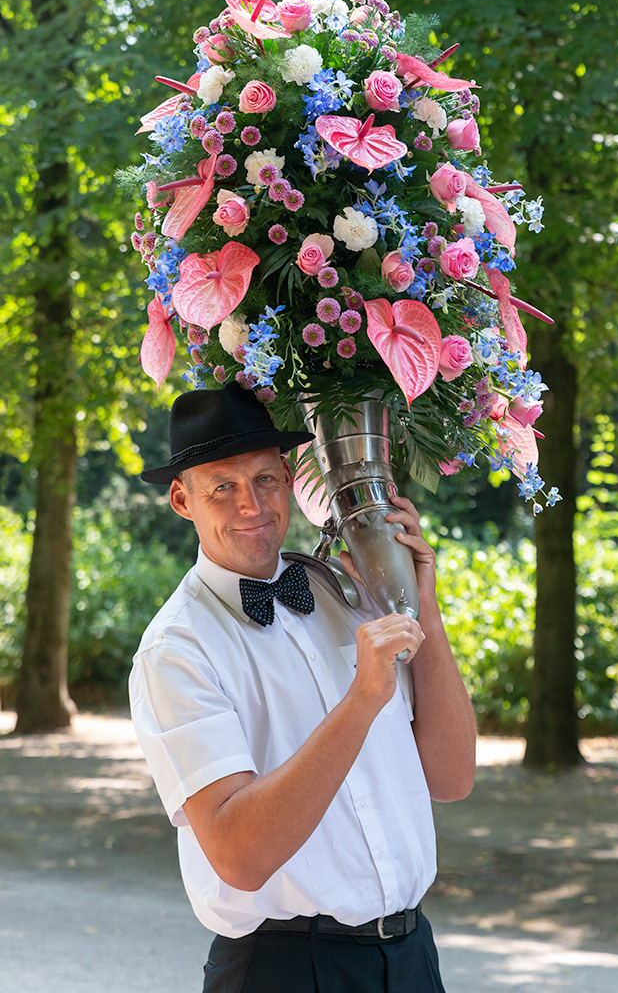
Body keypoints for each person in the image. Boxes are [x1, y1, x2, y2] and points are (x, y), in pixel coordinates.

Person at [129, 381, 477, 993]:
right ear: (183, 500)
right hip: (285, 970)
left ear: (290, 477)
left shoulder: (349, 589)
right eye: (223, 488)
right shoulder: (176, 651)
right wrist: (361, 701)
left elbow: (452, 778)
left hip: (413, 957)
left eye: (265, 479)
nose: (251, 506)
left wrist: (425, 607)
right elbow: (241, 857)